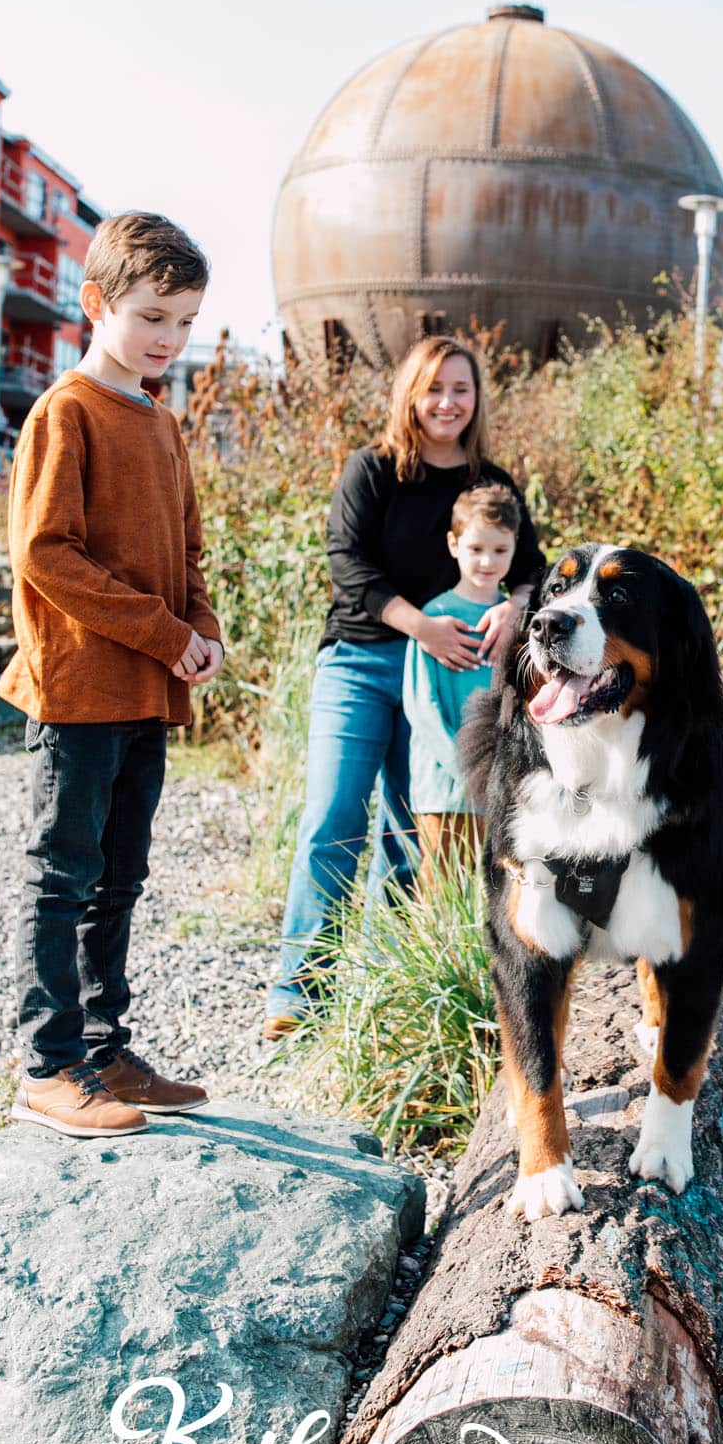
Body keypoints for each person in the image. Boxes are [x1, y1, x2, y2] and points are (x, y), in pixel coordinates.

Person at [0, 212, 224, 1138]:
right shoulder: (67, 411)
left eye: (184, 322)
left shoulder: (163, 422)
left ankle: (104, 1050)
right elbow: (46, 553)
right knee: (61, 875)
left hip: (145, 690)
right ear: (96, 304)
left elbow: (190, 553)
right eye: (152, 317)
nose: (169, 339)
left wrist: (199, 629)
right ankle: (47, 1067)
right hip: (81, 687)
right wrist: (164, 632)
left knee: (118, 876)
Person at [263, 335, 546, 1042]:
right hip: (363, 661)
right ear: (410, 395)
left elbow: (534, 569)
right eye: (433, 388)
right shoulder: (374, 470)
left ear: (476, 397)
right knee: (332, 818)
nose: (447, 402)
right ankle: (298, 994)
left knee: (408, 837)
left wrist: (516, 605)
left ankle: (384, 991)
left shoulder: (491, 480)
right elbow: (347, 561)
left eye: (460, 388)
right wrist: (420, 624)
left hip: (450, 680)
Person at [401, 482, 520, 884]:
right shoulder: (436, 617)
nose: (487, 561)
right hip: (444, 788)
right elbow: (421, 708)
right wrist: (467, 770)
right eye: (476, 549)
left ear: (515, 547)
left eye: (500, 550)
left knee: (499, 894)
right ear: (454, 545)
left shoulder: (515, 623)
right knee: (442, 891)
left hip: (505, 790)